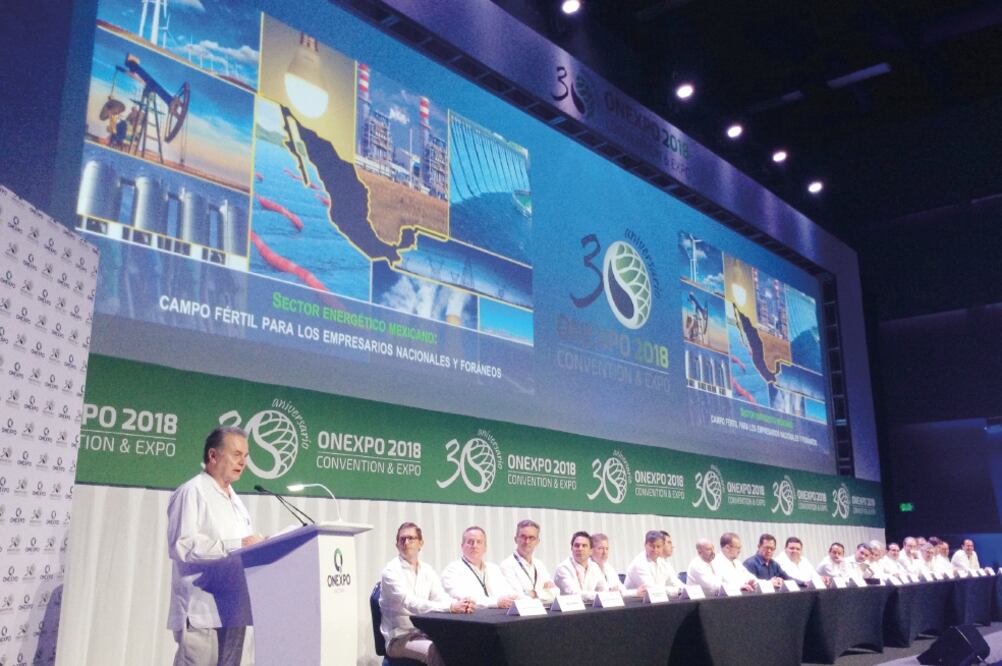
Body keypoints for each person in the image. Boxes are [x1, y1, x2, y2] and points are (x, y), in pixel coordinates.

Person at [166, 426, 265, 666]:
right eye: (237, 454)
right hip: (202, 610)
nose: (244, 462)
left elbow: (243, 547)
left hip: (235, 609)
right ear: (213, 455)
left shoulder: (236, 499)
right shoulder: (192, 492)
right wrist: (237, 545)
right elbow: (182, 545)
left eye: (246, 456)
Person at [379, 522, 474, 665]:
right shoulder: (390, 572)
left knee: (460, 642)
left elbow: (440, 597)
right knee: (434, 650)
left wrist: (461, 603)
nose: (406, 542)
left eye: (411, 538)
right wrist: (451, 607)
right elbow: (411, 604)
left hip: (424, 632)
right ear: (397, 545)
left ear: (420, 543)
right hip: (398, 638)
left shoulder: (427, 569)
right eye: (402, 539)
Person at [441, 526, 518, 609]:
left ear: (485, 548)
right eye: (470, 542)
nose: (474, 545)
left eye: (479, 542)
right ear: (462, 546)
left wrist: (522, 600)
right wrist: (496, 602)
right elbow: (466, 600)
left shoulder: (493, 568)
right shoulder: (452, 571)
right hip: (471, 619)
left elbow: (508, 592)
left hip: (499, 617)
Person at [500, 519, 557, 602]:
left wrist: (533, 593)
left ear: (537, 542)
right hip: (522, 613)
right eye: (523, 537)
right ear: (516, 539)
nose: (527, 541)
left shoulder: (539, 564)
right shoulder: (507, 565)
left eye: (531, 538)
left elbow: (555, 592)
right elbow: (516, 596)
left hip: (544, 612)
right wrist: (543, 592)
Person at [554, 531, 608, 602]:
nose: (580, 549)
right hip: (571, 610)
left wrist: (605, 594)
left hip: (590, 609)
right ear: (571, 548)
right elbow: (574, 594)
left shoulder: (594, 566)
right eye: (577, 545)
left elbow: (604, 589)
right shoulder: (563, 568)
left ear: (591, 551)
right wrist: (601, 595)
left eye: (584, 546)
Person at [625, 530, 682, 595]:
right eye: (651, 546)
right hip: (636, 602)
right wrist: (677, 591)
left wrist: (685, 589)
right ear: (645, 545)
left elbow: (674, 582)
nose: (655, 550)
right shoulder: (639, 563)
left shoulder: (662, 562)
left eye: (658, 546)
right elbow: (652, 590)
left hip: (655, 600)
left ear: (662, 547)